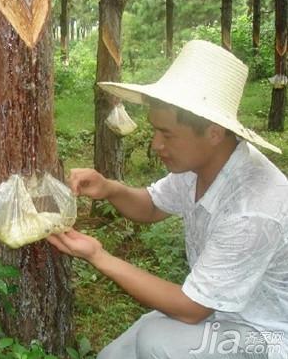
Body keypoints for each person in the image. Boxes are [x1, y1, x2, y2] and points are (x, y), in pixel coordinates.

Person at [48, 40, 288, 359]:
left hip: (269, 334)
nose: (156, 144)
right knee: (113, 356)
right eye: (155, 131)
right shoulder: (202, 163)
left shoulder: (252, 209)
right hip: (221, 313)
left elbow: (191, 309)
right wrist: (109, 188)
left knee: (158, 340)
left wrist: (98, 255)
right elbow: (151, 206)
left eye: (167, 134)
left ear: (214, 132)